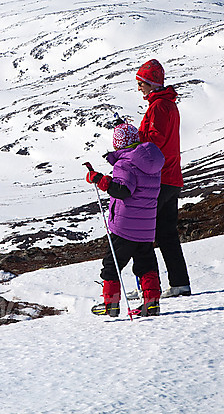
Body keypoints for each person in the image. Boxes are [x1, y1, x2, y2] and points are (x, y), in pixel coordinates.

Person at [86, 122, 165, 317]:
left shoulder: (125, 163)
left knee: (112, 264)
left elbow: (122, 191)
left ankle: (110, 305)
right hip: (146, 227)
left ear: (118, 144)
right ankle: (152, 304)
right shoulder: (152, 162)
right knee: (146, 265)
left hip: (125, 226)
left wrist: (99, 180)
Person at [136, 59, 191, 297]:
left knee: (142, 232)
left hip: (158, 179)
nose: (139, 88)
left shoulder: (158, 107)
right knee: (167, 234)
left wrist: (132, 144)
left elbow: (154, 142)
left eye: (141, 83)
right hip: (172, 178)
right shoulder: (168, 105)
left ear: (151, 83)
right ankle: (179, 283)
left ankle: (150, 289)